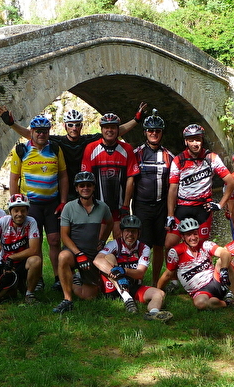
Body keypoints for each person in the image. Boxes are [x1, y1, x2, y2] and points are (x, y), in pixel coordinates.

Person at [0, 103, 147, 201]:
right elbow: (33, 135)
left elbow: (114, 131)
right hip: (64, 190)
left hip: (85, 188)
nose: (74, 128)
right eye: (70, 125)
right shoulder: (57, 142)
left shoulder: (88, 140)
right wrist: (11, 124)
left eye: (77, 125)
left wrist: (136, 119)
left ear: (81, 126)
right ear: (65, 126)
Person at [164, 123, 234, 292]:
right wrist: (169, 214)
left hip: (203, 210)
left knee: (202, 248)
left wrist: (220, 204)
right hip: (183, 207)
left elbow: (231, 182)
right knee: (169, 243)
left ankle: (207, 280)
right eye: (191, 140)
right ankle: (174, 279)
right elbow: (173, 189)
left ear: (202, 140)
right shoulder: (178, 160)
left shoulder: (211, 158)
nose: (195, 143)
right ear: (186, 142)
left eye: (198, 139)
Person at [9, 115, 68, 290]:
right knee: (35, 241)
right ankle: (38, 277)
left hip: (52, 203)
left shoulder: (55, 149)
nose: (41, 134)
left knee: (55, 240)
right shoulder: (21, 150)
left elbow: (63, 175)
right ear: (31, 132)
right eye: (38, 131)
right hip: (31, 204)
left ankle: (58, 278)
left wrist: (63, 201)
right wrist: (16, 204)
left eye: (45, 131)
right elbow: (14, 179)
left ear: (48, 132)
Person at [157, 218, 234, 311]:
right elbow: (168, 274)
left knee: (222, 261)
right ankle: (227, 303)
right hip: (200, 291)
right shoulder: (176, 252)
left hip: (216, 280)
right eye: (189, 235)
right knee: (200, 304)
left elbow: (225, 253)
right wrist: (158, 291)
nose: (193, 238)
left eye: (195, 233)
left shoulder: (205, 244)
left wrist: (224, 270)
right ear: (182, 237)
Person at [52, 171, 113, 313]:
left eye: (88, 185)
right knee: (63, 257)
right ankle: (67, 299)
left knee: (89, 296)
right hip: (74, 253)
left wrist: (103, 239)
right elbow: (64, 236)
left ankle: (73, 280)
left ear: (93, 187)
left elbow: (110, 223)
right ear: (76, 188)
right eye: (81, 186)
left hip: (92, 253)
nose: (85, 188)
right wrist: (78, 253)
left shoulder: (102, 207)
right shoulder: (69, 207)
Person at [94, 215, 173, 321]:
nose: (130, 234)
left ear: (139, 233)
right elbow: (97, 260)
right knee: (109, 257)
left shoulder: (144, 248)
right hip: (114, 288)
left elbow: (140, 273)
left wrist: (124, 271)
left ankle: (154, 314)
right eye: (127, 231)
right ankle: (127, 298)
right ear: (122, 232)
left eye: (134, 231)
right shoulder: (114, 244)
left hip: (133, 286)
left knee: (159, 293)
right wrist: (118, 274)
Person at [132, 109, 174, 285]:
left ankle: (156, 281)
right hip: (142, 205)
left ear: (162, 133)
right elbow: (129, 181)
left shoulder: (168, 156)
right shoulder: (137, 154)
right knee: (141, 244)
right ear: (145, 132)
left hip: (161, 206)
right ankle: (138, 279)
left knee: (159, 244)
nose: (154, 133)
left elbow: (174, 184)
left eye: (157, 131)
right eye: (150, 130)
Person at [81, 113, 140, 239]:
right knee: (97, 240)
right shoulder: (91, 148)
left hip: (118, 206)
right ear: (101, 129)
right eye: (106, 127)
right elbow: (86, 180)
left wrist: (125, 205)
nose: (109, 130)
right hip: (97, 205)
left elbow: (131, 179)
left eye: (113, 127)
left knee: (119, 240)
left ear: (118, 130)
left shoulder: (126, 149)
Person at [0, 194, 42, 304]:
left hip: (22, 264)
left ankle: (29, 294)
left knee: (36, 260)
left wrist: (11, 258)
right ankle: (13, 288)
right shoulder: (1, 222)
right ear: (10, 212)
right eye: (16, 211)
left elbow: (34, 250)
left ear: (27, 211)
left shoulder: (31, 222)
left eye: (23, 211)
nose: (20, 214)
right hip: (4, 266)